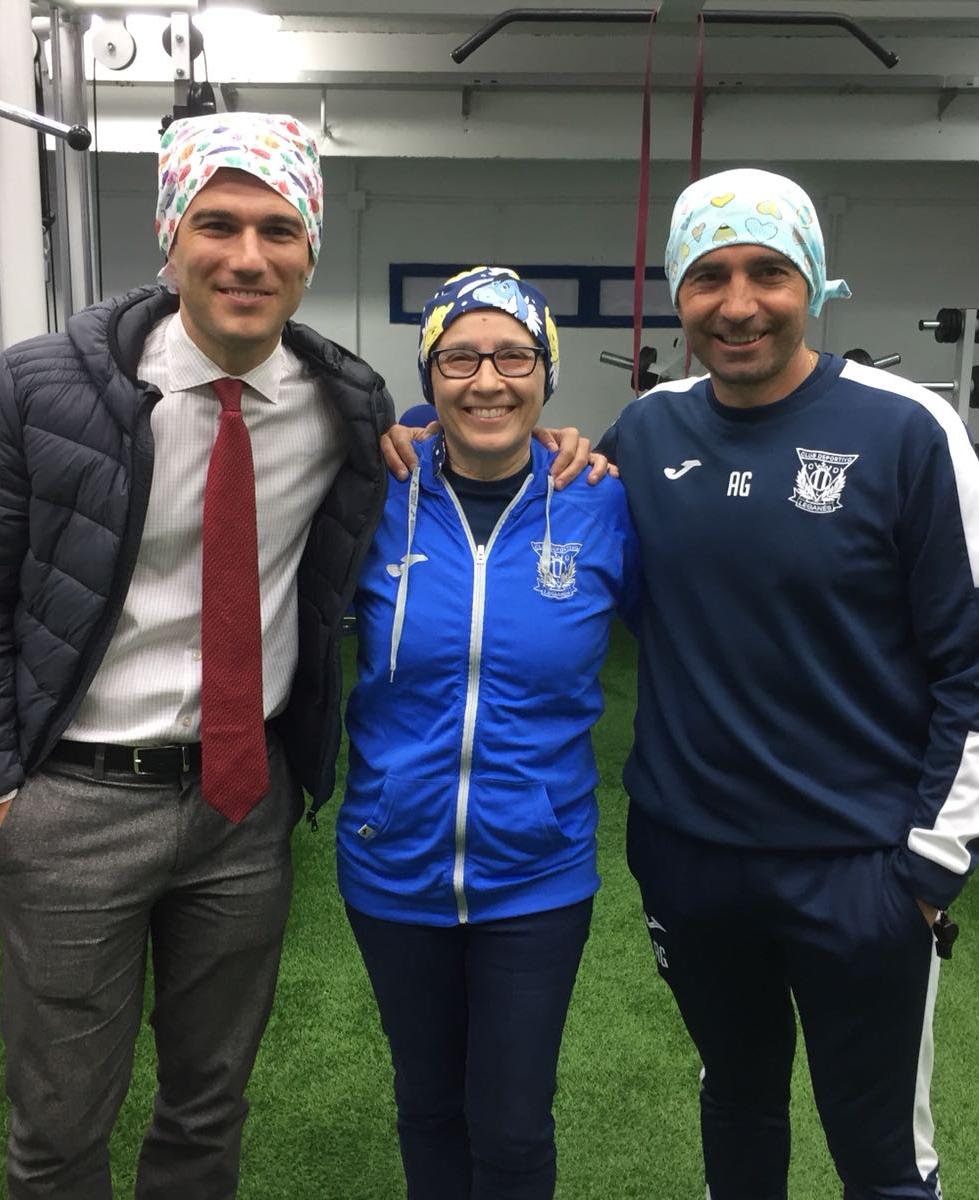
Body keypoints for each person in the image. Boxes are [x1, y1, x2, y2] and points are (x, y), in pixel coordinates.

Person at [0, 112, 592, 1200]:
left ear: (309, 252)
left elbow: (461, 440)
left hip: (243, 805)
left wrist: (559, 440)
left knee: (208, 1106)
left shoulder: (346, 406)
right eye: (218, 225)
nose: (247, 256)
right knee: (59, 1124)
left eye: (278, 230)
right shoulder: (38, 387)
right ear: (170, 237)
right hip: (73, 797)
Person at [595, 168, 979, 1200]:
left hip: (860, 868)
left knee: (881, 1155)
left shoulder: (907, 429)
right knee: (737, 1103)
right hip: (691, 859)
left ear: (814, 283)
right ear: (678, 294)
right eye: (709, 277)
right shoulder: (645, 433)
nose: (738, 304)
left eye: (769, 273)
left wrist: (929, 869)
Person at [339, 267, 638, 1199]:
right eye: (459, 358)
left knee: (511, 1128)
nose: (487, 381)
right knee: (428, 1105)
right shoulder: (371, 494)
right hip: (392, 862)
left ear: (546, 373)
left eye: (514, 356)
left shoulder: (599, 502)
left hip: (537, 873)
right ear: (429, 377)